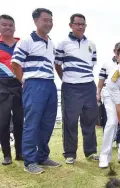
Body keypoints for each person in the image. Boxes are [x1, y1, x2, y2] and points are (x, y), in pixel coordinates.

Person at [11, 8, 61, 174]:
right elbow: (15, 64)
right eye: (45, 20)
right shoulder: (27, 40)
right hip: (34, 84)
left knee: (48, 123)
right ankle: (30, 161)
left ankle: (42, 156)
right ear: (36, 21)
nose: (49, 23)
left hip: (49, 84)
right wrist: (23, 81)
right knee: (32, 124)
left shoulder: (51, 42)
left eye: (50, 20)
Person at [55, 13, 98, 164]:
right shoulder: (63, 43)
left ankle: (91, 151)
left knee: (89, 120)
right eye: (77, 24)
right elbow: (57, 65)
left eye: (83, 24)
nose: (80, 26)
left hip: (89, 86)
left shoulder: (91, 44)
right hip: (70, 88)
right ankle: (70, 153)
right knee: (70, 121)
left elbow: (92, 65)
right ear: (71, 25)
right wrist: (66, 79)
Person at [0, 14, 23, 165]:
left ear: (14, 27)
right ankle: (6, 154)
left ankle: (20, 153)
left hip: (20, 85)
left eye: (10, 25)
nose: (8, 27)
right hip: (1, 86)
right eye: (4, 25)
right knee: (3, 122)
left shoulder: (22, 43)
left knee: (20, 121)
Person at [98, 42, 120, 145]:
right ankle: (107, 145)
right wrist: (98, 93)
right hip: (109, 95)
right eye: (118, 50)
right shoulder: (106, 64)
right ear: (114, 51)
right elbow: (101, 81)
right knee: (111, 121)